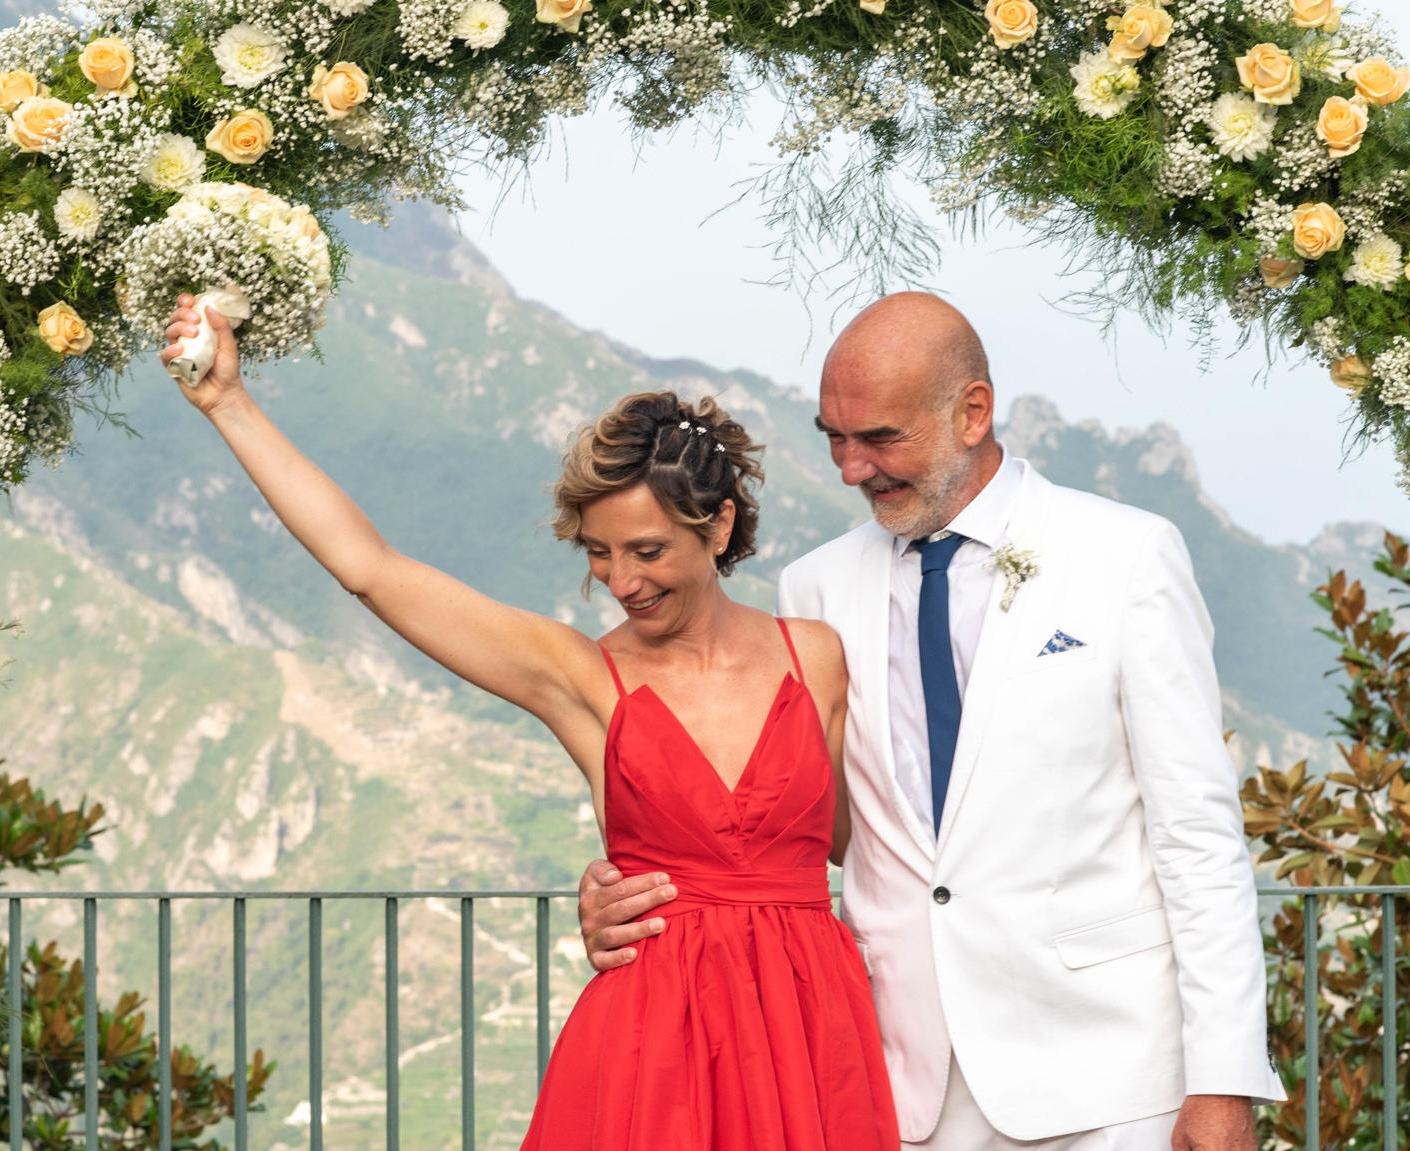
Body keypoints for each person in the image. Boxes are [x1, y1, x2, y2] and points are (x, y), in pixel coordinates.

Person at [161, 295, 900, 1151]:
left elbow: (850, 842)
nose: (621, 581)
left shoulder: (817, 657)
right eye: (598, 552)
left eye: (648, 550)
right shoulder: (583, 677)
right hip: (651, 1051)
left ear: (720, 525)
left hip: (812, 1039)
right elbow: (371, 569)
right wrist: (228, 401)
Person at [577, 293, 1283, 1151]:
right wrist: (637, 893)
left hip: (1112, 1081)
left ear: (973, 413)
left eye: (878, 437)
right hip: (899, 1084)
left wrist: (1223, 1079)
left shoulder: (1126, 556)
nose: (849, 467)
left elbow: (1198, 835)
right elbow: (802, 830)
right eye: (833, 437)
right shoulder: (816, 590)